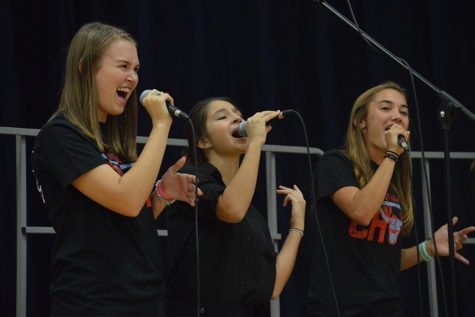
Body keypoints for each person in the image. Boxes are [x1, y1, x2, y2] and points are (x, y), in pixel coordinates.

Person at [31, 22, 198, 317]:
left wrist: (161, 193)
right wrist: (161, 124)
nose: (132, 78)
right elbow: (127, 200)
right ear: (85, 68)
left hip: (144, 297)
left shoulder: (112, 138)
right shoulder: (60, 135)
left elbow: (126, 219)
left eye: (136, 68)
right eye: (123, 66)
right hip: (94, 301)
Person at [306, 82, 475, 316]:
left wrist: (429, 248)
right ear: (360, 121)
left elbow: (386, 260)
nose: (397, 116)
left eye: (403, 112)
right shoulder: (335, 164)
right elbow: (361, 212)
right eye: (386, 108)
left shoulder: (391, 178)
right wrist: (392, 154)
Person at [165, 97, 306, 316]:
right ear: (203, 141)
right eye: (223, 116)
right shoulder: (190, 178)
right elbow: (230, 210)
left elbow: (273, 286)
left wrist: (297, 228)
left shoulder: (249, 211)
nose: (238, 118)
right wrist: (256, 143)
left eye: (238, 114)